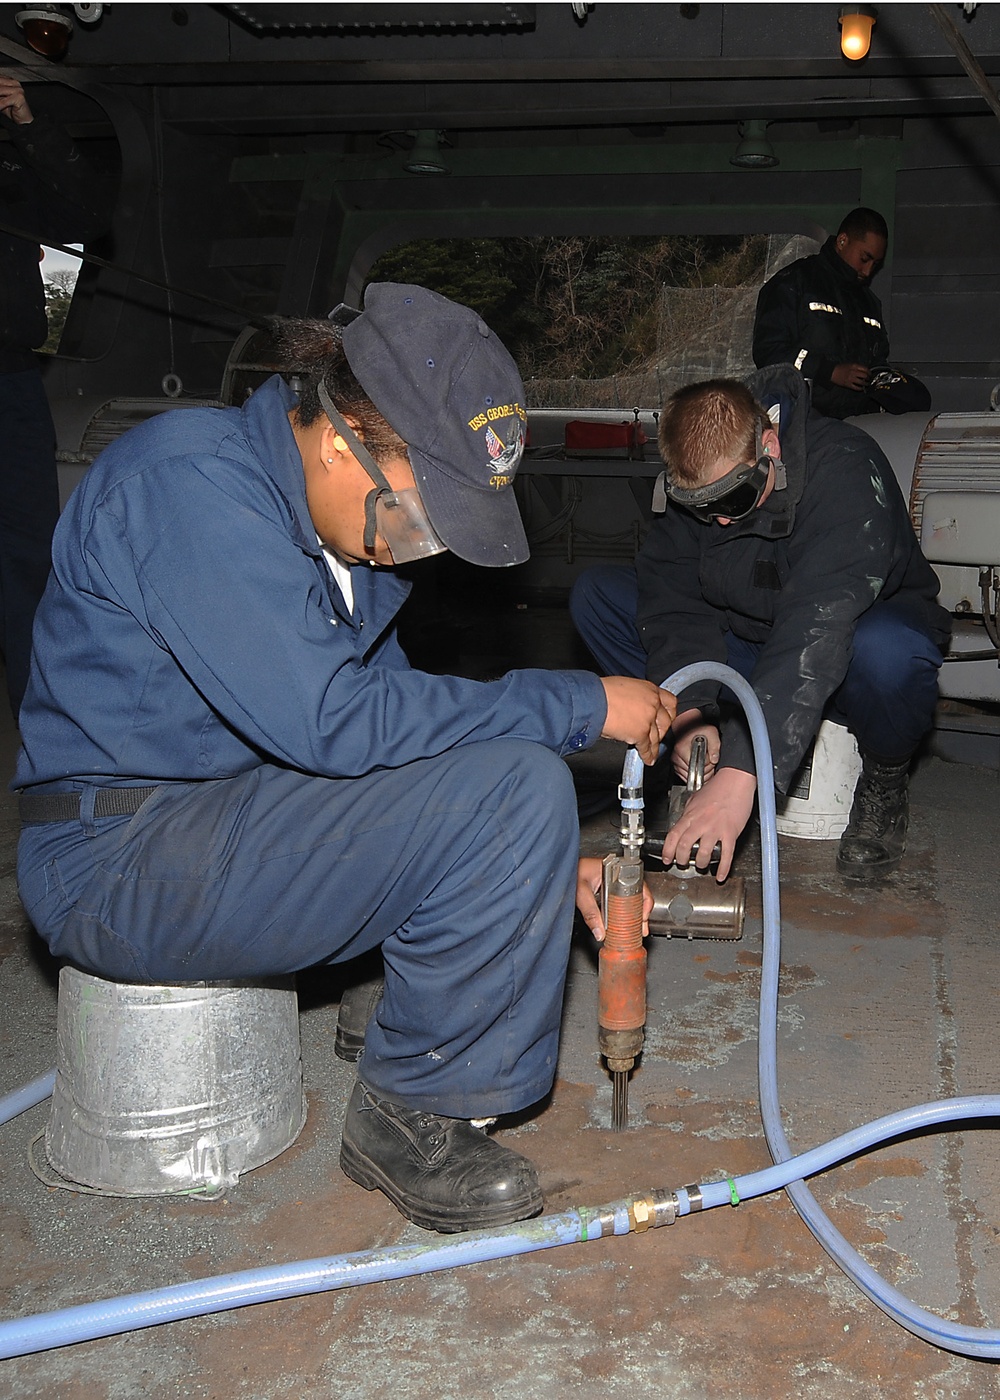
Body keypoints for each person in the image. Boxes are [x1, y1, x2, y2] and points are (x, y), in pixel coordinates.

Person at [13, 282, 676, 1235]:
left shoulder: (340, 544)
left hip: (225, 817)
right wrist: (577, 701)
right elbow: (337, 720)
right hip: (115, 853)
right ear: (338, 443)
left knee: (502, 804)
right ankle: (413, 1108)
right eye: (420, 516)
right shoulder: (189, 486)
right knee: (520, 781)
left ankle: (398, 1002)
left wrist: (526, 871)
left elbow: (412, 749)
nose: (423, 548)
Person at [570, 365, 951, 884]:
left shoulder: (845, 466)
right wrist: (691, 712)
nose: (721, 520)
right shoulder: (700, 479)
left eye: (734, 499)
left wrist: (745, 772)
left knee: (889, 651)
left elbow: (818, 625)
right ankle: (708, 737)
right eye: (702, 507)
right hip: (751, 635)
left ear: (768, 443)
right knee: (600, 596)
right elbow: (674, 601)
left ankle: (885, 776)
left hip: (845, 641)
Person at [0, 75, 106, 719]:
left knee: (26, 545)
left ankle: (38, 711)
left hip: (9, 377)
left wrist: (30, 125)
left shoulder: (12, 158)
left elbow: (87, 218)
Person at [752, 207, 923, 421]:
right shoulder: (793, 283)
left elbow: (877, 360)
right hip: (801, 423)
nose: (868, 271)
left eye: (875, 264)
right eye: (864, 258)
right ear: (842, 241)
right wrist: (829, 371)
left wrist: (886, 381)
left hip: (858, 424)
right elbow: (768, 352)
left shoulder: (869, 303)